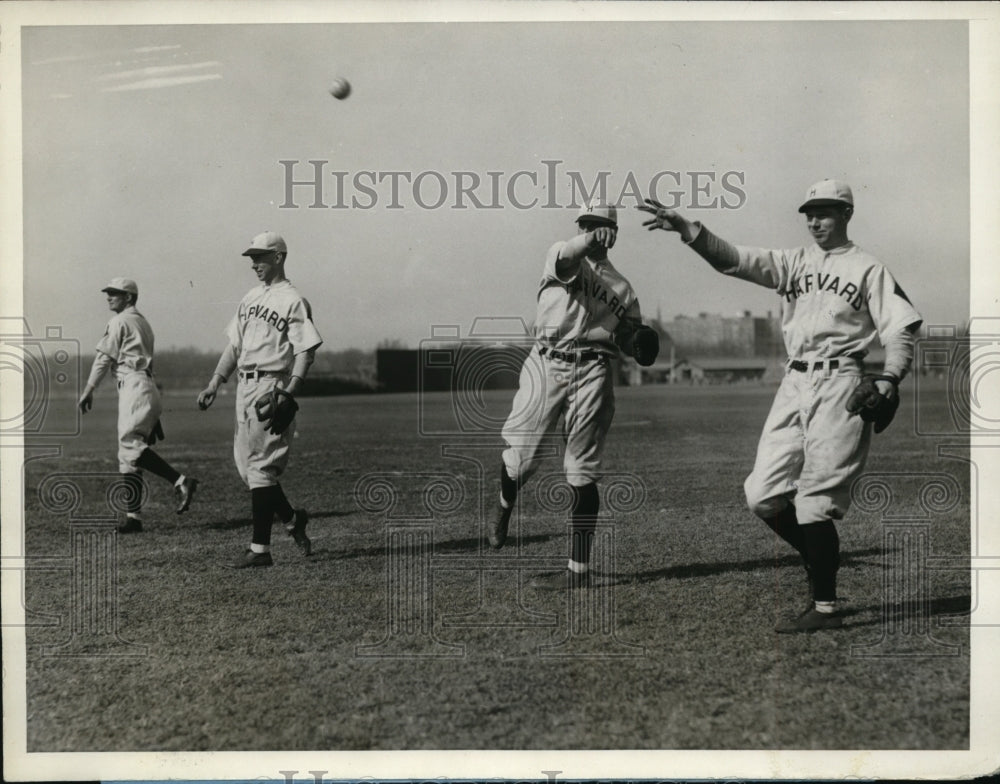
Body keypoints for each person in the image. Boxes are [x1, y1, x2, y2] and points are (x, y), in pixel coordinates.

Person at [639, 179, 923, 632]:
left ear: (846, 214)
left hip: (840, 382)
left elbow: (901, 329)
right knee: (763, 494)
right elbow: (733, 260)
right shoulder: (793, 262)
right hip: (793, 381)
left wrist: (889, 377)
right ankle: (818, 558)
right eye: (809, 212)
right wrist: (688, 231)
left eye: (825, 212)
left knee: (814, 501)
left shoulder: (869, 268)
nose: (815, 221)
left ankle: (825, 607)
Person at [491, 203, 659, 590]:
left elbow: (628, 335)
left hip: (593, 370)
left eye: (601, 225)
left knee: (582, 469)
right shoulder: (562, 256)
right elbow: (570, 253)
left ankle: (577, 570)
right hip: (547, 364)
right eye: (587, 224)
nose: (594, 230)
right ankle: (503, 507)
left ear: (614, 233)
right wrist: (585, 239)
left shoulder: (624, 288)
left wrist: (635, 339)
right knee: (521, 461)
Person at [197, 232, 323, 568]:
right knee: (248, 468)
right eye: (252, 258)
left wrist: (288, 391)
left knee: (261, 468)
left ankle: (260, 550)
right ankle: (293, 520)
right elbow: (234, 347)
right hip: (244, 386)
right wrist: (215, 382)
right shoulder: (251, 297)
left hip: (271, 384)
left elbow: (306, 350)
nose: (255, 264)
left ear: (279, 257)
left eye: (261, 257)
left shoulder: (293, 300)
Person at [78, 278, 198, 532]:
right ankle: (134, 518)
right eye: (108, 293)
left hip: (135, 385)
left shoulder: (120, 321)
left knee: (130, 448)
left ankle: (181, 481)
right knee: (128, 458)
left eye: (115, 293)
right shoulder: (143, 323)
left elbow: (103, 358)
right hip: (144, 387)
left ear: (129, 297)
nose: (109, 297)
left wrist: (89, 389)